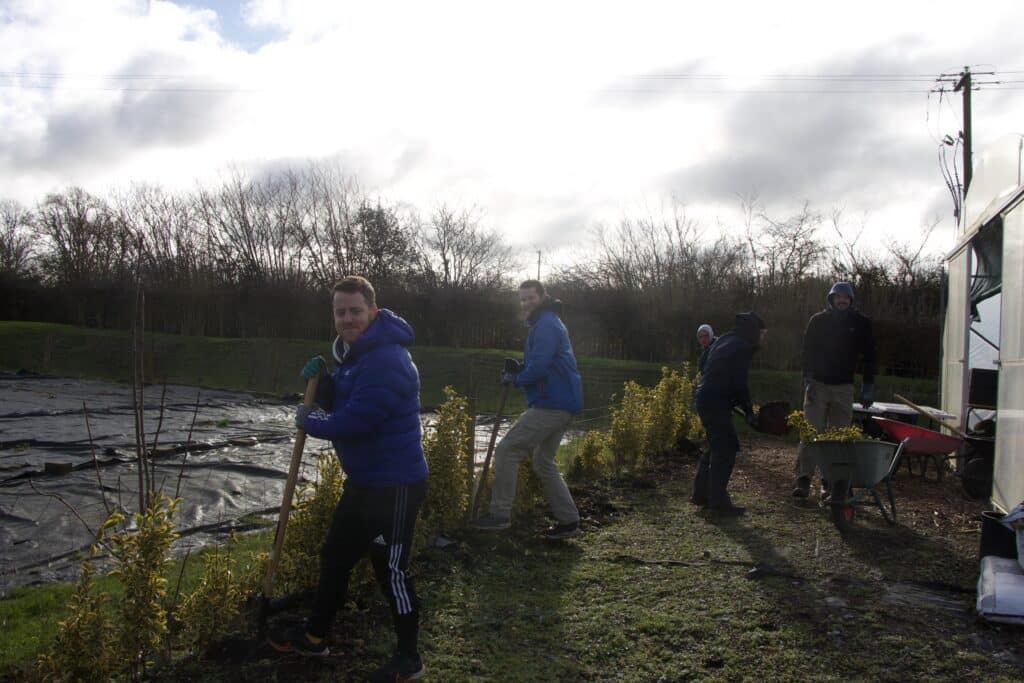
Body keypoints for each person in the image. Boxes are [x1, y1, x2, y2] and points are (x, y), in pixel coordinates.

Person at [269, 276, 429, 683]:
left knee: (389, 570)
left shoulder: (387, 359)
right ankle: (315, 636)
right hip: (364, 482)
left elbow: (357, 421)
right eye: (340, 312)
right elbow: (347, 399)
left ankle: (409, 659)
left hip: (396, 485)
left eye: (355, 310)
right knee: (335, 556)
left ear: (373, 312)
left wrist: (312, 418)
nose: (347, 318)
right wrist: (323, 387)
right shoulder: (356, 355)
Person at [471, 279, 584, 540]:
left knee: (507, 450)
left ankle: (499, 515)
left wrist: (516, 378)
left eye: (531, 297)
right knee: (543, 462)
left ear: (543, 296)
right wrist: (520, 368)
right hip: (563, 402)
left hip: (552, 404)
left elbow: (540, 368)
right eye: (522, 299)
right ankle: (569, 521)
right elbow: (541, 363)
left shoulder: (545, 325)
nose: (526, 302)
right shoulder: (546, 323)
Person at [792, 281, 876, 498]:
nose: (842, 301)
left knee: (838, 436)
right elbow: (807, 352)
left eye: (846, 298)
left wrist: (868, 384)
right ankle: (803, 478)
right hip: (818, 385)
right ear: (831, 299)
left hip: (844, 386)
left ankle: (830, 482)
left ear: (851, 301)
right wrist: (808, 379)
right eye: (838, 297)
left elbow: (870, 356)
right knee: (811, 431)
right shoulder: (818, 321)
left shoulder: (861, 323)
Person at [691, 312, 767, 516]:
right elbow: (739, 381)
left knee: (716, 446)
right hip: (715, 400)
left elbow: (705, 361)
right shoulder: (743, 347)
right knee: (726, 449)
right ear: (754, 331)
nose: (763, 338)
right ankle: (718, 502)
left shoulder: (725, 338)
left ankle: (701, 494)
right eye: (762, 333)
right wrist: (749, 411)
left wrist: (713, 383)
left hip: (705, 397)